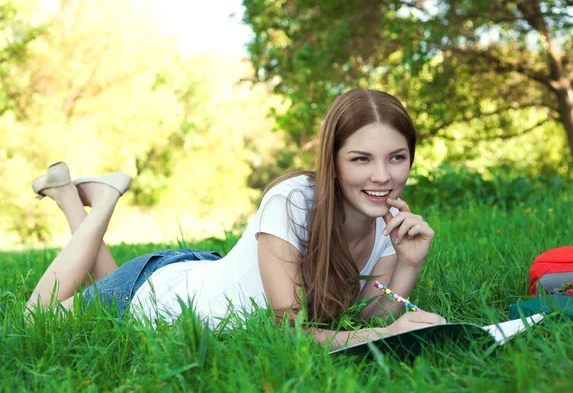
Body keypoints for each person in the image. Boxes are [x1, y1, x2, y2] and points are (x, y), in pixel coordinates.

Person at [27, 89, 445, 349]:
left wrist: (409, 261)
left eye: (396, 158)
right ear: (332, 162)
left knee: (105, 294)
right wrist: (384, 335)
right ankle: (102, 200)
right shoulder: (292, 202)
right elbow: (292, 334)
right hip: (162, 295)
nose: (382, 176)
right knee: (35, 319)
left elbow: (371, 316)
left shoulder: (390, 222)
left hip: (205, 278)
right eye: (361, 159)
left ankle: (66, 195)